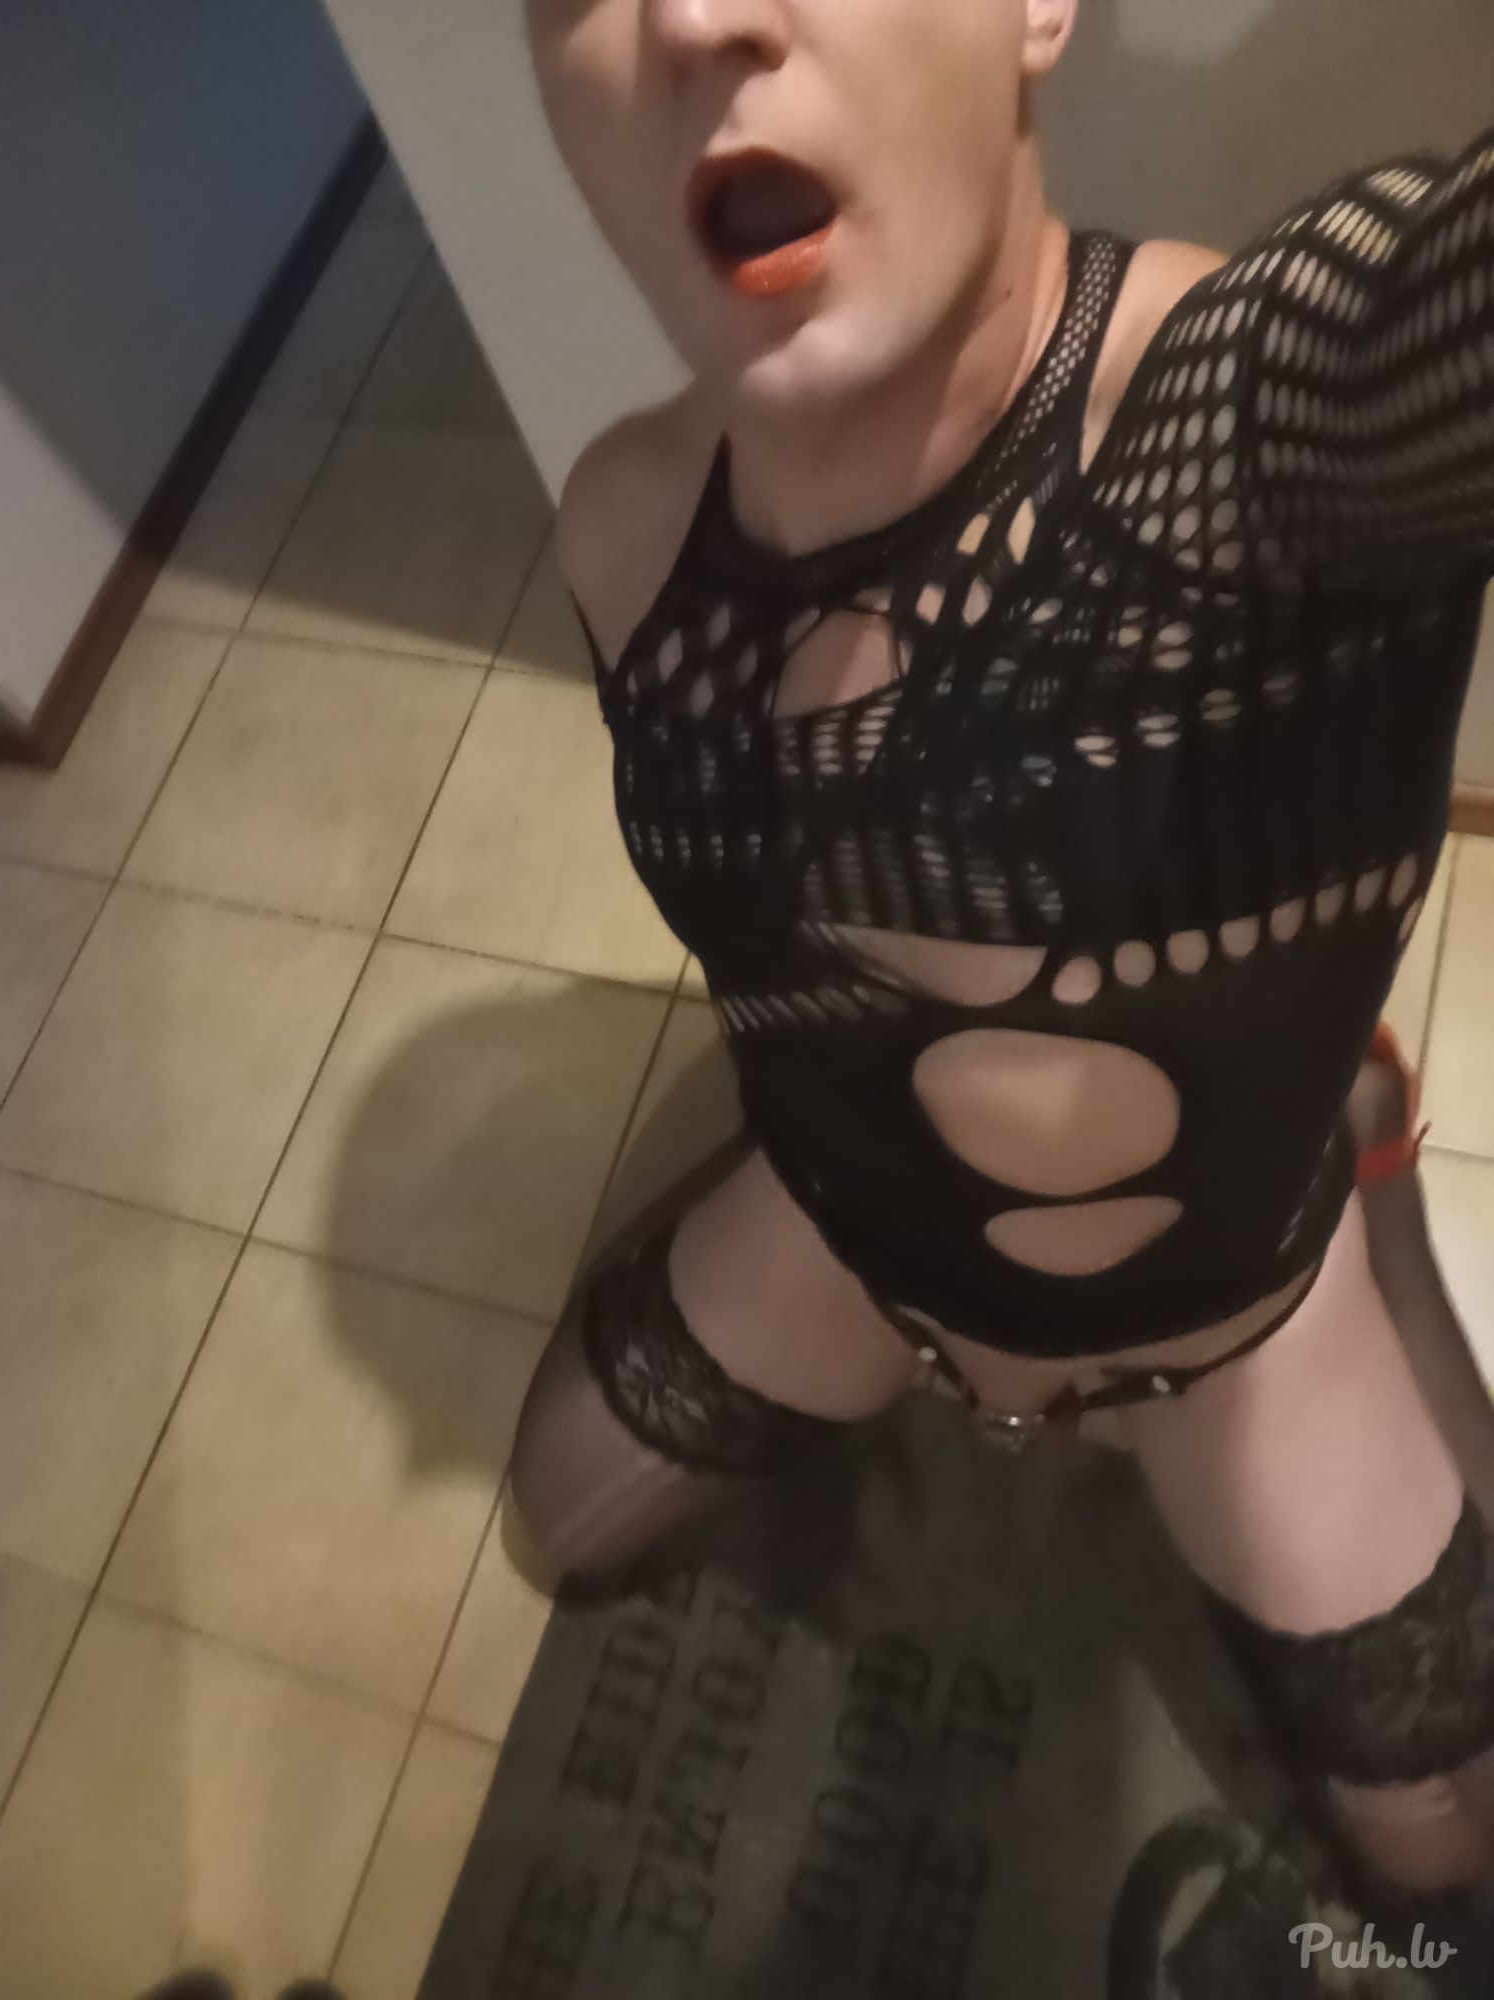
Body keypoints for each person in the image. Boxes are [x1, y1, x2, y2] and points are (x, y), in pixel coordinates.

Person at [510, 0, 1494, 1903]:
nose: (696, 12)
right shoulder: (625, 528)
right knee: (565, 1512)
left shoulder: (1256, 442)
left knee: (1448, 1858)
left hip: (1228, 1325)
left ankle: (1359, 1166)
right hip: (854, 1245)